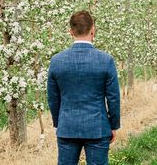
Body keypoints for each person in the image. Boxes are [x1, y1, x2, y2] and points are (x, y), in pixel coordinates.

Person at [47, 10, 121, 165]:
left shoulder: (56, 61)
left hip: (67, 127)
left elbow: (53, 98)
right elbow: (113, 97)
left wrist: (58, 123)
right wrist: (113, 125)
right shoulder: (106, 60)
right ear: (93, 30)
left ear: (70, 32)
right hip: (97, 128)